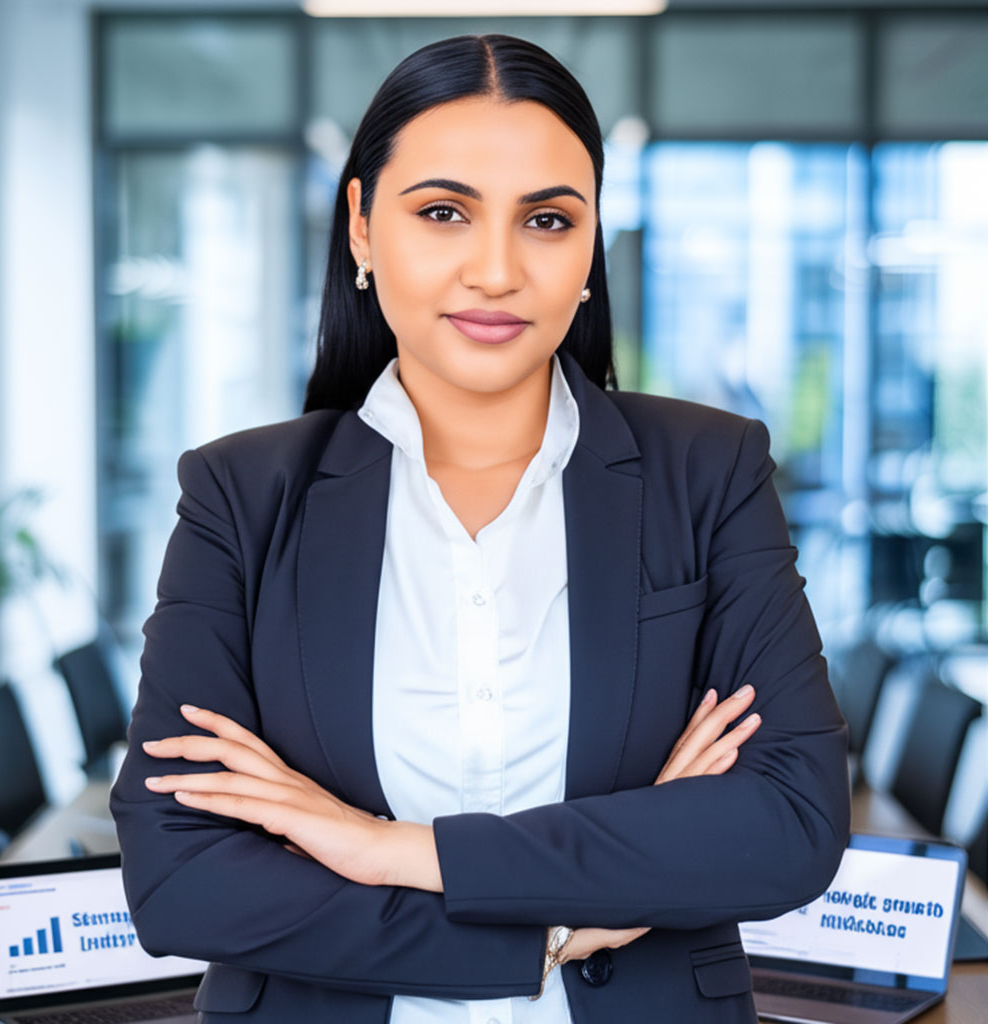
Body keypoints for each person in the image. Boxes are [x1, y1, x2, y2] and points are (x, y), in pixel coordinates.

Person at [110, 33, 850, 1024]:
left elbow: (788, 823)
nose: (496, 269)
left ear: (590, 247)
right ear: (364, 230)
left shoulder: (707, 472)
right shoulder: (242, 495)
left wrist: (390, 847)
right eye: (444, 212)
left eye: (546, 219)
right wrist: (558, 924)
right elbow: (183, 872)